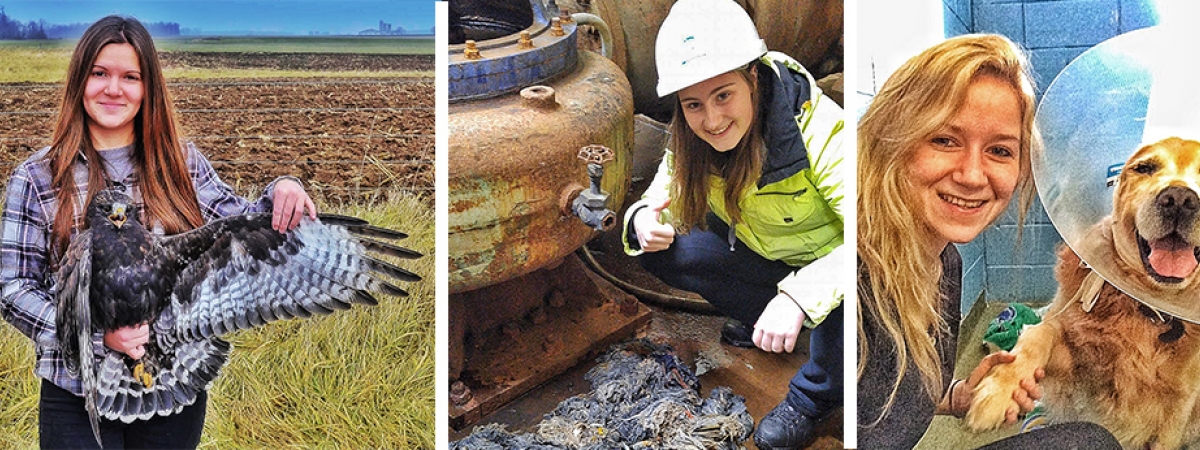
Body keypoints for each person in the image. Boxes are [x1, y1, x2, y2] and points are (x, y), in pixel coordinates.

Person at [0, 16, 315, 449]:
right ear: (79, 81)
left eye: (130, 77)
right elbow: (14, 287)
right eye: (99, 73)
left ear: (148, 88)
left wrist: (284, 189)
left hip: (172, 378)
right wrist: (90, 335)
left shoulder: (179, 163)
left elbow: (244, 228)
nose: (114, 89)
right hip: (78, 388)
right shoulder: (37, 176)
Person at [856, 34, 1120, 449]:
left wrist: (959, 395)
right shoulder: (853, 278)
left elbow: (884, 399)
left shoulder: (946, 263)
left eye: (999, 150)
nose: (973, 176)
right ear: (893, 139)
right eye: (944, 140)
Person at [622, 0, 846, 447]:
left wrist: (800, 297)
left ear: (754, 77)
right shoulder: (691, 137)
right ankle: (768, 318)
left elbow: (873, 238)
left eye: (724, 95)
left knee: (861, 301)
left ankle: (813, 397)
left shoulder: (818, 130)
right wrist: (642, 221)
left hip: (836, 272)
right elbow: (656, 197)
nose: (712, 119)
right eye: (693, 104)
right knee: (663, 253)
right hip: (768, 257)